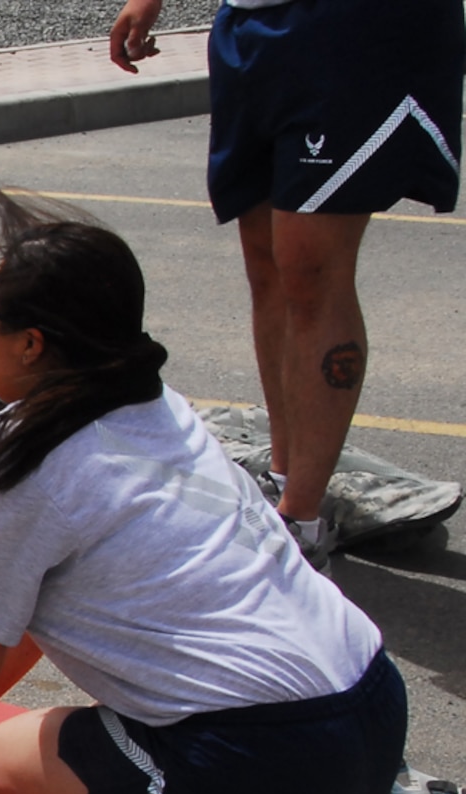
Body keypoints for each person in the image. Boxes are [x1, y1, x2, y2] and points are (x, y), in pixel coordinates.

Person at [0, 177, 466, 794]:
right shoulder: (159, 406)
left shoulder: (24, 453)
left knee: (1, 778)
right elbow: (24, 607)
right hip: (373, 702)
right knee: (197, 737)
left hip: (274, 758)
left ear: (31, 344)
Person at [109, 0, 465, 567]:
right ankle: (282, 478)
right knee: (267, 264)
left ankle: (301, 521)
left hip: (354, 27)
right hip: (253, 23)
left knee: (310, 269)